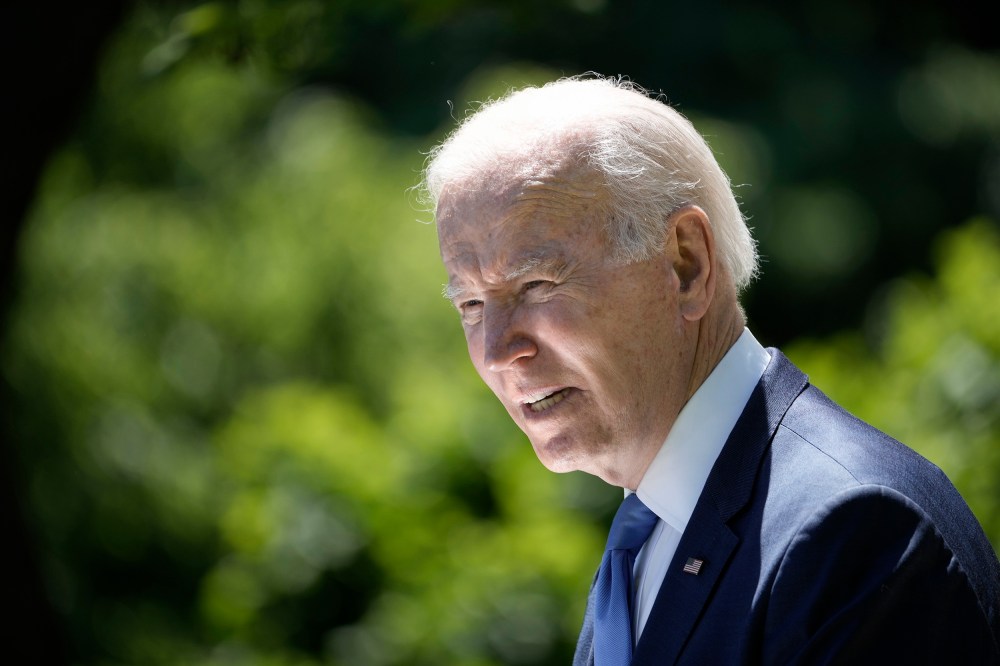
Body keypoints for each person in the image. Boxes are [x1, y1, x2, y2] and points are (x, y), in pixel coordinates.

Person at [421, 75, 1000, 665]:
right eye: (471, 305)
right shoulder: (651, 534)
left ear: (686, 264)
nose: (496, 351)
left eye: (537, 284)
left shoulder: (856, 532)